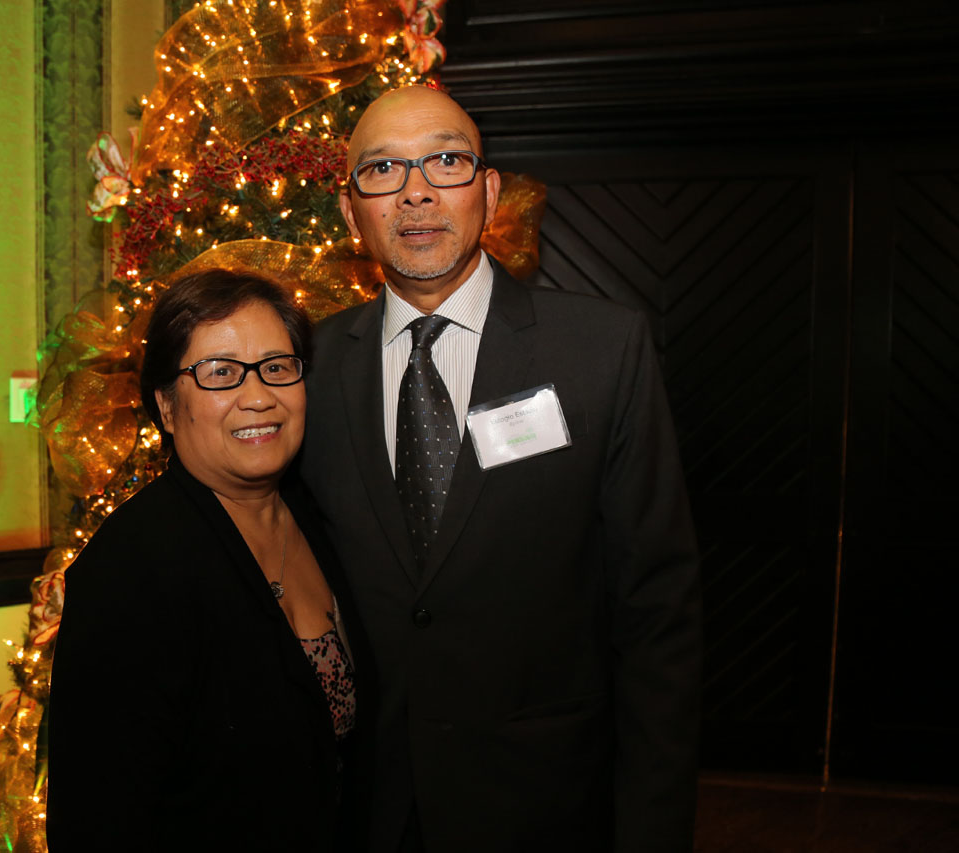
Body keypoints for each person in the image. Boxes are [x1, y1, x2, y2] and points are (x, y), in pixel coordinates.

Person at [300, 86, 701, 851]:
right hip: (365, 811)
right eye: (383, 169)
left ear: (488, 193)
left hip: (547, 804)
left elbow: (659, 618)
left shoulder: (603, 353)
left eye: (445, 161)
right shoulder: (306, 371)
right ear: (352, 213)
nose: (416, 191)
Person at [47, 270, 370, 852]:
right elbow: (97, 821)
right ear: (168, 407)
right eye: (220, 372)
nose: (258, 395)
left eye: (277, 366)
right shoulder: (129, 573)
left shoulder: (318, 515)